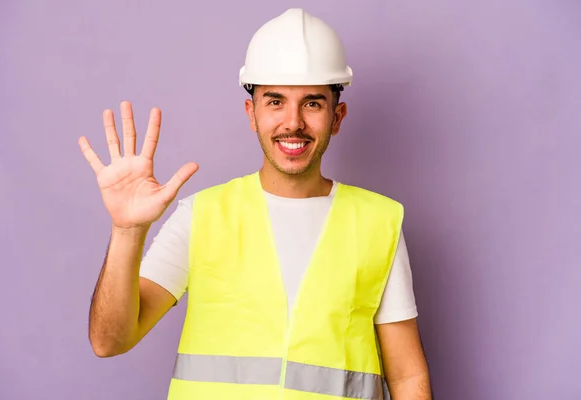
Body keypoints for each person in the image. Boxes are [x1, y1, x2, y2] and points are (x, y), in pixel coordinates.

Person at [79, 8, 431, 400]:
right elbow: (109, 341)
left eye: (312, 103)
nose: (293, 122)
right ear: (252, 112)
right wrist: (127, 232)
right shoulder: (202, 216)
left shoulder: (378, 223)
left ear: (337, 116)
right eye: (275, 101)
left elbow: (406, 378)